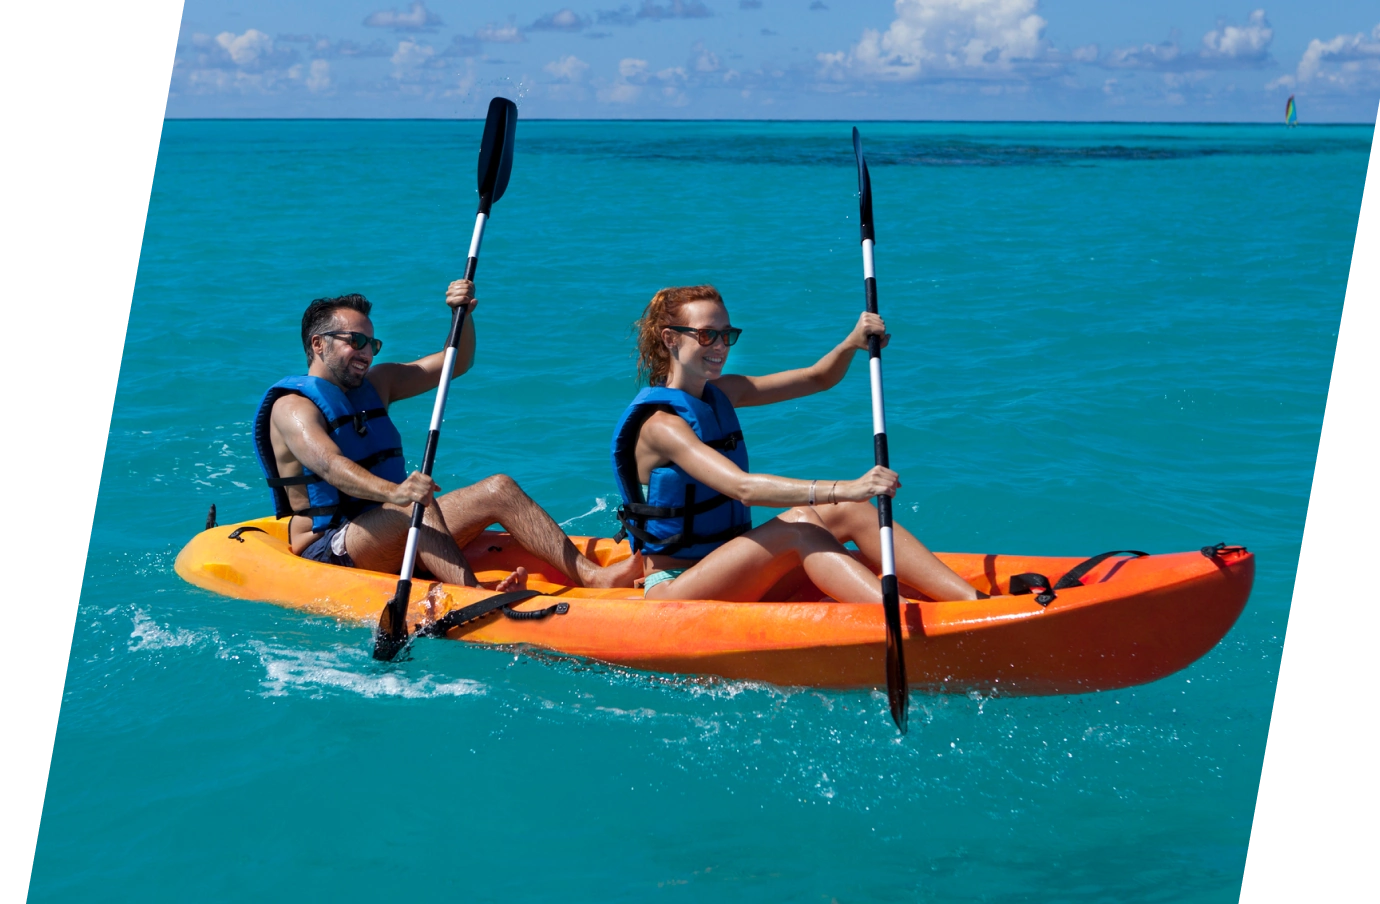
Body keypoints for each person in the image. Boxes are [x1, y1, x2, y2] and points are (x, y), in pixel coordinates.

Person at [252, 279, 643, 602]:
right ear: (318, 344)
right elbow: (328, 465)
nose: (367, 352)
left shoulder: (379, 383)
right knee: (412, 508)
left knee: (499, 488)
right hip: (331, 547)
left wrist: (463, 316)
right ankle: (475, 598)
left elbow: (456, 362)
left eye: (372, 344)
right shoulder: (292, 407)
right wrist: (397, 492)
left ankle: (593, 577)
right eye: (355, 341)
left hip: (389, 526)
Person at [611, 284, 987, 603]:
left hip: (733, 565)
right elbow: (742, 488)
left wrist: (851, 344)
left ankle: (971, 603)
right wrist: (849, 486)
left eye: (727, 335)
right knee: (800, 523)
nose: (721, 346)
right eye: (707, 334)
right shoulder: (662, 426)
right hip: (678, 588)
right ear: (670, 338)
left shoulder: (726, 392)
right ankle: (902, 617)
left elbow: (816, 379)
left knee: (849, 510)